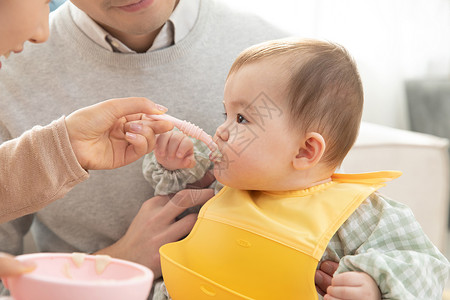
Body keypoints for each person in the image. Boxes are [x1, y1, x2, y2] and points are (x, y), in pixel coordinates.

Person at [0, 0, 338, 295]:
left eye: (241, 118)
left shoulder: (284, 56)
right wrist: (115, 263)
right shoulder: (9, 58)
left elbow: (317, 200)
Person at [144, 38, 450, 299]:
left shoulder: (362, 216)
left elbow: (430, 271)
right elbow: (180, 217)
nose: (221, 131)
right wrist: (175, 166)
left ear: (305, 151)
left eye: (241, 119)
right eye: (225, 114)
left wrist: (374, 286)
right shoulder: (225, 186)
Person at [0, 0, 173, 277]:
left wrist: (63, 150)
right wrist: (111, 268)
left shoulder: (262, 44)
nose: (41, 35)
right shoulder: (13, 74)